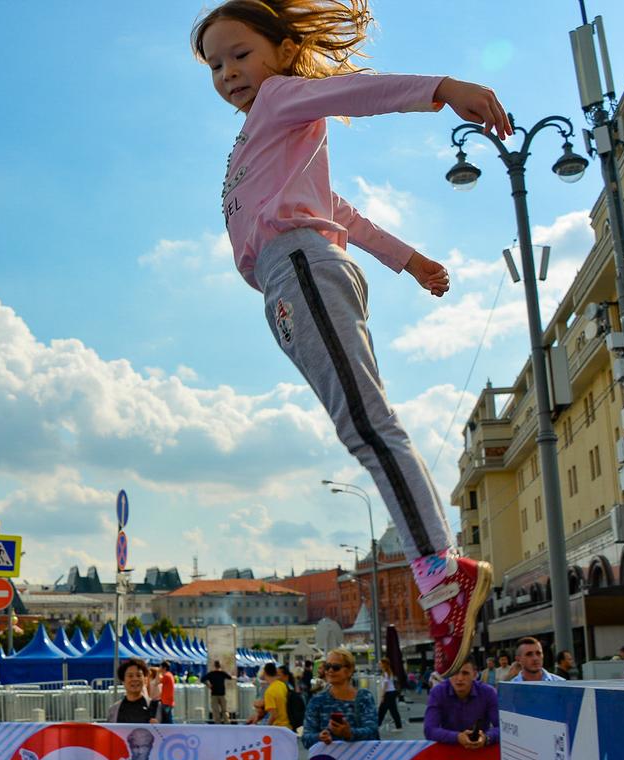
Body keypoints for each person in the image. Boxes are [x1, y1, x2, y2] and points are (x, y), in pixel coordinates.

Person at [190, 0, 509, 679]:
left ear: (279, 51)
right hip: (286, 282)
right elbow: (339, 210)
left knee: (368, 424)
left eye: (240, 53)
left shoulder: (281, 99)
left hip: (301, 263)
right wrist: (408, 257)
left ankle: (441, 574)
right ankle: (441, 575)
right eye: (215, 64)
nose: (228, 72)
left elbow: (355, 94)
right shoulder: (257, 135)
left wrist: (441, 89)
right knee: (360, 426)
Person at [300, 648, 378, 749]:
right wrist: (319, 737)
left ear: (349, 670)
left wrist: (349, 733)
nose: (330, 670)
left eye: (336, 667)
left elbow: (373, 732)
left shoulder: (364, 697)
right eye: (327, 667)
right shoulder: (317, 701)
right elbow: (306, 738)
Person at [423, 658, 499, 749]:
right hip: (448, 752)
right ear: (448, 673)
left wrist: (486, 738)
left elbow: (502, 728)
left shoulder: (488, 692)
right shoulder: (437, 693)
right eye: (455, 672)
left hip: (481, 751)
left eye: (465, 673)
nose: (459, 678)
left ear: (475, 675)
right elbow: (429, 730)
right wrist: (457, 737)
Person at [106, 659, 153, 723]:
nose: (135, 679)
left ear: (145, 679)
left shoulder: (156, 708)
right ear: (123, 681)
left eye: (139, 675)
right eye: (130, 676)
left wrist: (158, 728)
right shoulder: (113, 711)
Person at [255, 662, 291, 729]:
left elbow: (274, 715)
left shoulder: (269, 692)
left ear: (264, 673)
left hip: (278, 727)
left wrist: (267, 728)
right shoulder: (282, 685)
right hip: (288, 725)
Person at [375, 657, 403, 730]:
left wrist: (382, 696)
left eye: (380, 663)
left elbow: (385, 685)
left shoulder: (385, 673)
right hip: (391, 693)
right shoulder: (388, 672)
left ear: (384, 664)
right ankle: (398, 726)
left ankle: (377, 725)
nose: (379, 665)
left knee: (383, 710)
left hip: (388, 693)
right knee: (392, 710)